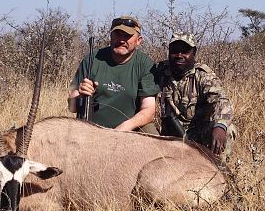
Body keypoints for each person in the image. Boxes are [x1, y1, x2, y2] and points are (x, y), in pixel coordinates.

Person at [68, 15, 160, 134]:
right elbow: (72, 107)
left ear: (139, 40)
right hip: (92, 129)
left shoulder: (145, 65)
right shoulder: (92, 59)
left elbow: (148, 111)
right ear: (111, 36)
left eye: (127, 36)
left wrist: (123, 128)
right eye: (117, 34)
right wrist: (80, 95)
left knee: (152, 134)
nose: (121, 40)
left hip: (128, 130)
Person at [157, 32, 236, 160]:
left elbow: (221, 100)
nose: (179, 56)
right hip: (167, 135)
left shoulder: (203, 75)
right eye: (175, 51)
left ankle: (218, 171)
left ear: (194, 52)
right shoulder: (160, 71)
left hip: (195, 135)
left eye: (185, 51)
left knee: (227, 130)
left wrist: (220, 126)